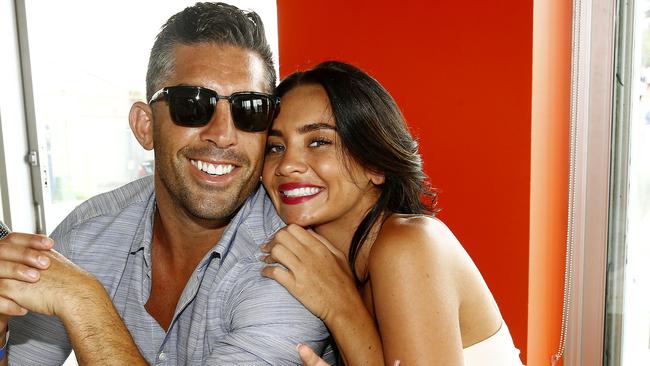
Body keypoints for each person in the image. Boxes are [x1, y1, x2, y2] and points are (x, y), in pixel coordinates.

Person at [0, 3, 335, 365]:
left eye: (249, 109)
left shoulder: (293, 267)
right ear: (145, 126)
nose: (223, 135)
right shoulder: (86, 234)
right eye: (192, 104)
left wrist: (84, 301)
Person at [259, 61, 524, 365]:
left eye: (319, 142)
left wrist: (340, 307)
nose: (287, 164)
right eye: (275, 147)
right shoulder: (322, 262)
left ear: (375, 164)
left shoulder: (408, 245)